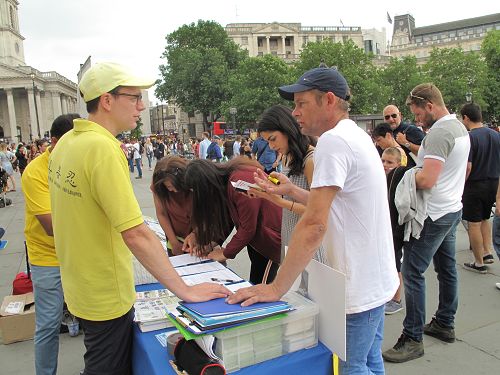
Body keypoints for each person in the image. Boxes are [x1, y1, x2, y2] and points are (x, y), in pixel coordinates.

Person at [48, 62, 229, 375]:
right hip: (106, 289)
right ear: (107, 100)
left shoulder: (67, 142)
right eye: (134, 98)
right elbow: (135, 232)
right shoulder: (102, 148)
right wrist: (184, 290)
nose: (141, 106)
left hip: (80, 282)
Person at [228, 67, 399, 374]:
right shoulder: (354, 137)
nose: (295, 113)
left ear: (328, 100)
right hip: (373, 278)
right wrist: (292, 190)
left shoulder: (334, 142)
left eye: (301, 103)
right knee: (369, 361)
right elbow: (339, 204)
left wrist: (276, 287)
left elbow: (315, 223)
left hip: (356, 284)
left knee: (352, 368)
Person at [383, 83, 470, 363]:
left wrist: (402, 174)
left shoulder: (440, 133)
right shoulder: (458, 128)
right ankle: (445, 322)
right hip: (451, 208)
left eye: (417, 112)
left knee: (412, 273)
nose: (416, 119)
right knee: (447, 270)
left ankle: (412, 338)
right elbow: (459, 170)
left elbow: (427, 179)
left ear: (429, 105)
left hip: (432, 214)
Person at [21, 113, 78, 375]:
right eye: (71, 141)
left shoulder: (79, 162)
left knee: (95, 315)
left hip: (79, 252)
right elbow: (50, 225)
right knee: (48, 323)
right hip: (48, 257)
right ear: (53, 142)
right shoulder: (35, 172)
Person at [249, 104, 328, 264]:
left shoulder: (311, 159)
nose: (271, 146)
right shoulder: (286, 157)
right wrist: (267, 188)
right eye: (267, 142)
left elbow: (319, 210)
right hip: (290, 232)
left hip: (308, 239)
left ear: (288, 130)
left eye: (273, 139)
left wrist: (279, 201)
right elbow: (288, 188)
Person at [183, 158, 282, 285]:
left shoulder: (238, 181)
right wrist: (212, 243)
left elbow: (248, 227)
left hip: (269, 241)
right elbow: (228, 220)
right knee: (256, 284)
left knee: (260, 289)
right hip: (258, 240)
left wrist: (225, 253)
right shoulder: (226, 181)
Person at [459, 103, 500, 273]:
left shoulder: (469, 137)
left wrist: (461, 184)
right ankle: (487, 251)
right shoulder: (496, 135)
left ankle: (478, 262)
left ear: (466, 118)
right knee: (485, 219)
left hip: (475, 184)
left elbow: (468, 167)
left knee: (473, 224)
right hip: (493, 182)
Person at [381, 147, 410, 315]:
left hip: (395, 229)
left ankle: (396, 299)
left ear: (399, 164)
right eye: (383, 160)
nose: (385, 164)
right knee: (388, 262)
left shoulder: (400, 178)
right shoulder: (381, 178)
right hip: (386, 228)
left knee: (395, 264)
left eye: (389, 162)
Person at [151, 156, 193, 256]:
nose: (174, 190)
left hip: (200, 237)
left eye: (177, 186)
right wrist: (174, 242)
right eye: (169, 187)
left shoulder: (193, 179)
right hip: (176, 238)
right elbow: (161, 214)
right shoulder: (158, 185)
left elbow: (207, 213)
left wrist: (196, 234)